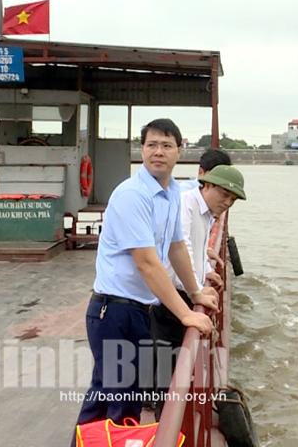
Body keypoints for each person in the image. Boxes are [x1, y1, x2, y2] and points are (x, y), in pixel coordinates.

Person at [73, 119, 218, 442]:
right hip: (113, 312)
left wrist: (195, 291)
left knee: (113, 399)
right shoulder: (132, 195)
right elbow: (147, 264)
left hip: (138, 310)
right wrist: (186, 313)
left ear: (180, 151)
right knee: (118, 402)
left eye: (166, 145)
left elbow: (176, 247)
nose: (158, 152)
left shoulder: (172, 193)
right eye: (151, 145)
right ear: (142, 150)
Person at [151, 160, 246, 418]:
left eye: (233, 199)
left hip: (183, 293)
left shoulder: (206, 212)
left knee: (174, 362)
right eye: (224, 194)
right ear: (207, 185)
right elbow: (180, 249)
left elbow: (197, 248)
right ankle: (163, 422)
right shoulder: (185, 204)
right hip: (168, 298)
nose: (227, 202)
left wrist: (205, 273)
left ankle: (167, 416)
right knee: (167, 366)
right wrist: (198, 290)